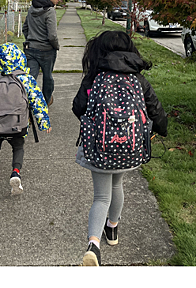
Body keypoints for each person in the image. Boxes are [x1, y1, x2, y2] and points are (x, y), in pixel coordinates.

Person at [72, 30, 167, 266]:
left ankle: (93, 245)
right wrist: (161, 128)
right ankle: (112, 229)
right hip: (129, 147)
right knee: (118, 185)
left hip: (99, 148)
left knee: (101, 196)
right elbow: (155, 108)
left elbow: (78, 107)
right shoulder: (137, 79)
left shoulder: (94, 78)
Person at [0, 42, 51, 194]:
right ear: (20, 59)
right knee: (18, 147)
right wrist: (44, 123)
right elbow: (38, 102)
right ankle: (15, 173)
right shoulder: (27, 80)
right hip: (17, 125)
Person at [22, 0, 61, 106]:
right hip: (47, 51)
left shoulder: (31, 8)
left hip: (31, 49)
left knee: (30, 78)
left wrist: (31, 39)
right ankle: (46, 101)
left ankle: (25, 101)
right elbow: (52, 35)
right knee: (47, 77)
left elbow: (25, 28)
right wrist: (56, 46)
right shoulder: (50, 11)